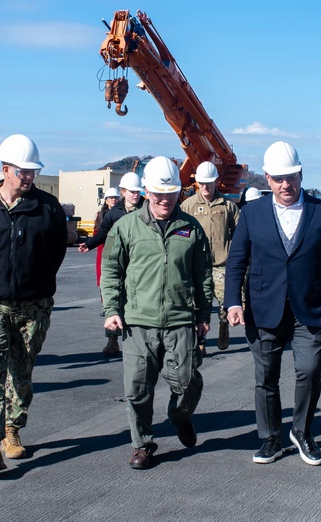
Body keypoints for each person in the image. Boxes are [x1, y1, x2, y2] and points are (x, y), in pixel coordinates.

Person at [224, 141, 321, 466]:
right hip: (263, 308)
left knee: (309, 370)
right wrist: (232, 302)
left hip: (308, 309)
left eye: (291, 177)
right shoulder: (252, 213)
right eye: (278, 178)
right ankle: (270, 439)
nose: (285, 185)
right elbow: (237, 261)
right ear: (267, 178)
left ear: (301, 174)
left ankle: (302, 432)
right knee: (265, 377)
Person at [0, 134, 68, 473]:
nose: (28, 178)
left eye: (32, 172)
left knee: (20, 372)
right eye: (22, 172)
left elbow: (56, 252)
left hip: (32, 305)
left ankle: (12, 431)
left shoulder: (47, 208)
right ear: (5, 169)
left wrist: (34, 282)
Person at [101, 156, 213, 470]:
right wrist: (111, 309)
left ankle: (180, 416)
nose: (165, 199)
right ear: (147, 191)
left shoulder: (190, 228)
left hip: (180, 320)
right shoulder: (125, 227)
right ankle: (142, 445)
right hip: (138, 322)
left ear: (180, 192)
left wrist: (204, 315)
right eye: (158, 193)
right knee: (137, 389)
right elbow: (111, 271)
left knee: (188, 382)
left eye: (171, 193)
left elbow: (203, 274)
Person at [77, 172, 146, 356]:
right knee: (115, 300)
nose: (135, 195)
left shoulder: (148, 208)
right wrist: (89, 244)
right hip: (120, 262)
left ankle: (139, 341)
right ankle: (112, 340)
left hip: (141, 261)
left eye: (137, 191)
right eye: (131, 191)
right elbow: (103, 233)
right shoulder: (114, 213)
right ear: (123, 191)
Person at [180, 161, 240, 351]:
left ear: (216, 181)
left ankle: (223, 326)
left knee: (225, 303)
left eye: (209, 182)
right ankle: (201, 341)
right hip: (196, 265)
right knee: (198, 304)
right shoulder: (187, 206)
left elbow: (239, 232)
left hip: (222, 264)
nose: (205, 187)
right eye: (201, 183)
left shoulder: (228, 205)